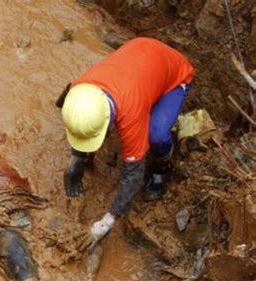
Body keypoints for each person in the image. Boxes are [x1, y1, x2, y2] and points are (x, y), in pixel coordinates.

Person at [56, 37, 195, 245]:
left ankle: (163, 169)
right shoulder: (80, 90)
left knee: (155, 134)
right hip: (139, 53)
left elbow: (134, 175)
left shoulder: (130, 114)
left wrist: (107, 221)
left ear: (109, 119)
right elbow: (66, 103)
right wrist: (75, 160)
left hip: (174, 75)